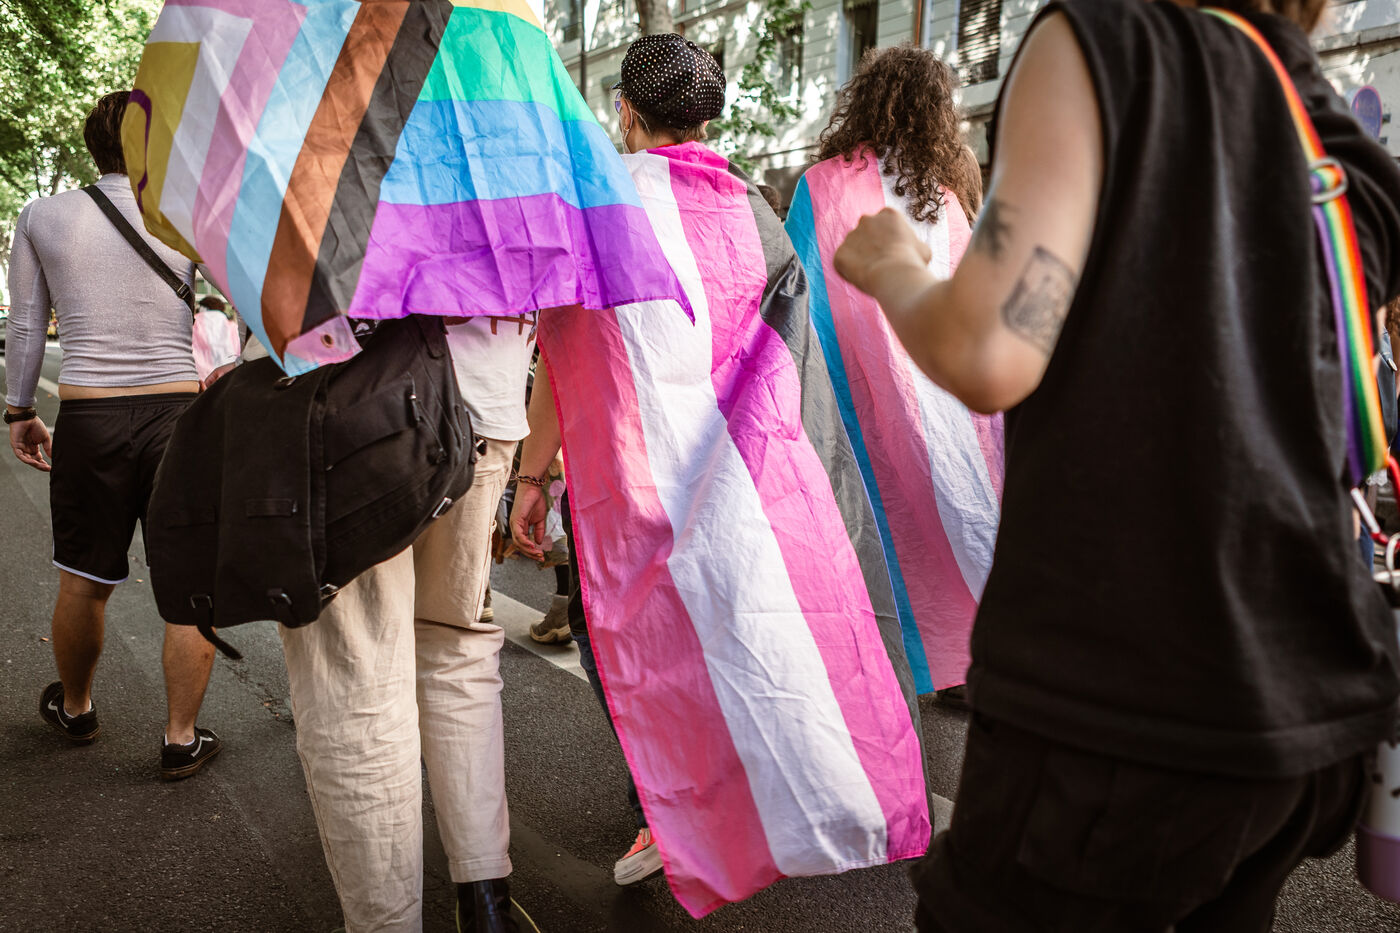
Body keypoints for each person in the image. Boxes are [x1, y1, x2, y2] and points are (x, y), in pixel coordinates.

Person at [835, 1, 1400, 929]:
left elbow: (987, 351)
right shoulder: (1340, 142)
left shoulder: (1103, 43)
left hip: (1115, 710)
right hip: (1302, 712)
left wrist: (893, 262)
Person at [512, 33, 928, 911]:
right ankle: (767, 793)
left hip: (628, 479)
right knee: (738, 628)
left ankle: (668, 811)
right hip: (738, 470)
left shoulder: (596, 206)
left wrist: (531, 475)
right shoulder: (753, 209)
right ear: (708, 117)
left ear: (626, 111)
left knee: (635, 641)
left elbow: (562, 351)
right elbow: (786, 353)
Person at [274, 309, 537, 932]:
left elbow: (268, 270)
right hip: (484, 406)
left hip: (346, 396)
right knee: (455, 646)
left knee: (355, 676)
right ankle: (486, 902)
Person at [5, 90, 222, 780]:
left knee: (83, 578)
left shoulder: (43, 216)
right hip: (180, 419)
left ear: (93, 145)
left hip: (90, 417)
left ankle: (76, 709)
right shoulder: (190, 217)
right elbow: (248, 306)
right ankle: (180, 738)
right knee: (188, 583)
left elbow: (24, 325)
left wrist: (19, 410)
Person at [786, 45, 1003, 703]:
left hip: (852, 393)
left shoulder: (821, 184)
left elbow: (795, 290)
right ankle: (967, 659)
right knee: (954, 522)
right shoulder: (946, 199)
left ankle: (881, 670)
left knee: (872, 527)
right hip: (948, 397)